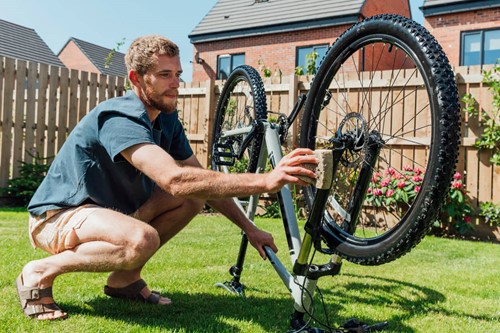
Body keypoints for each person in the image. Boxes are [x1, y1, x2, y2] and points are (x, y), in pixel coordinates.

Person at [15, 35, 318, 320]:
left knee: (194, 197)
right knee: (142, 239)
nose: (175, 84)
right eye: (164, 75)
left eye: (177, 74)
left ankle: (125, 279)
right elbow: (175, 179)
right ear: (136, 78)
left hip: (108, 213)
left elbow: (198, 179)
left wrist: (250, 228)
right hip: (58, 215)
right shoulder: (120, 117)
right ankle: (40, 271)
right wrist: (265, 181)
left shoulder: (166, 118)